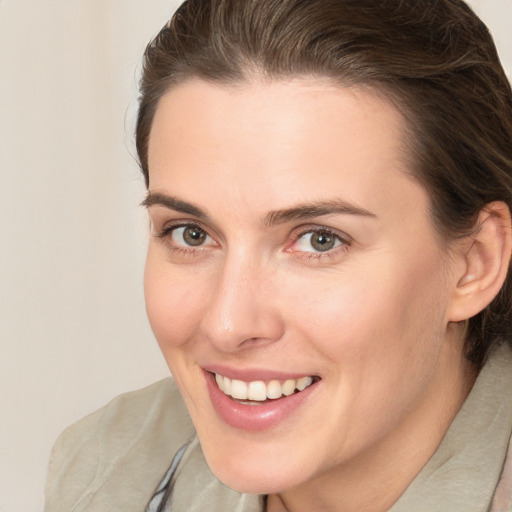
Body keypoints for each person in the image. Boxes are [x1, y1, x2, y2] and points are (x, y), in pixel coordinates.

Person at [44, 0, 512, 511]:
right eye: (191, 234)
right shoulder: (104, 474)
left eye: (319, 240)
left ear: (475, 262)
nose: (228, 324)